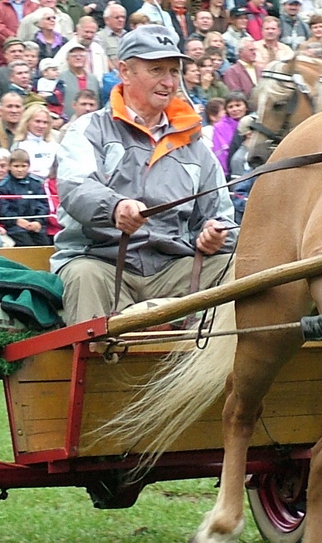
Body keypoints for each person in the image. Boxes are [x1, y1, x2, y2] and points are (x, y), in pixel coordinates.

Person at [52, 25, 236, 323]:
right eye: (156, 70)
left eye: (174, 72)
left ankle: (219, 369)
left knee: (237, 269)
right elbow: (76, 189)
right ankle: (97, 367)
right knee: (83, 274)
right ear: (124, 72)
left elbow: (223, 217)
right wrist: (115, 207)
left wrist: (216, 237)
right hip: (101, 262)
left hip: (175, 267)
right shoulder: (88, 129)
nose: (168, 82)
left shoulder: (195, 145)